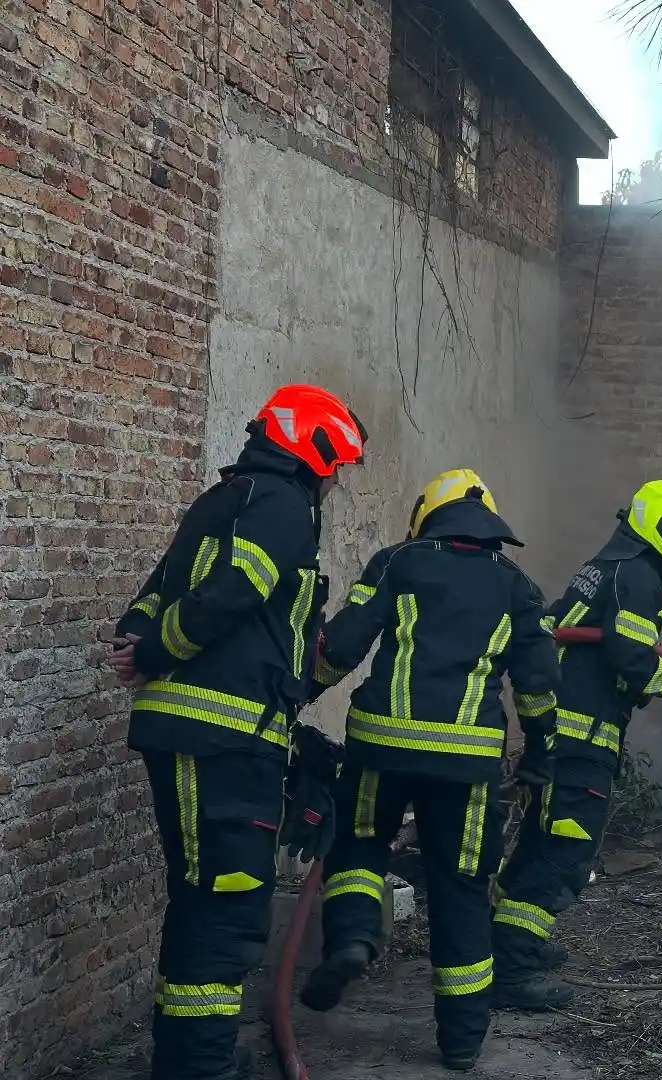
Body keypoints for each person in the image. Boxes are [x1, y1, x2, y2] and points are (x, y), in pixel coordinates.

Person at [106, 384, 367, 1080]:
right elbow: (233, 593)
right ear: (310, 450)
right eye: (333, 466)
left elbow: (155, 595)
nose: (334, 481)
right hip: (220, 741)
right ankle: (201, 1069)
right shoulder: (282, 505)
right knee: (225, 908)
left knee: (202, 900)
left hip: (210, 738)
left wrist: (140, 640)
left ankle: (189, 1059)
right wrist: (156, 649)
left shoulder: (223, 500)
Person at [298, 468, 560, 1073]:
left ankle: (355, 939)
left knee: (360, 847)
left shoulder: (398, 562)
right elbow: (541, 688)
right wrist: (543, 750)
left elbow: (343, 645)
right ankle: (463, 1040)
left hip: (380, 745)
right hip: (465, 764)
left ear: (427, 518)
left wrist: (296, 694)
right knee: (461, 888)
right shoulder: (518, 588)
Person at [490, 479, 662, 1011]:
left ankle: (506, 941)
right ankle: (511, 970)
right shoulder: (637, 577)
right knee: (565, 856)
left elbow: (615, 645)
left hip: (562, 736)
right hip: (581, 742)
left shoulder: (608, 569)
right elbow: (631, 659)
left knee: (539, 843)